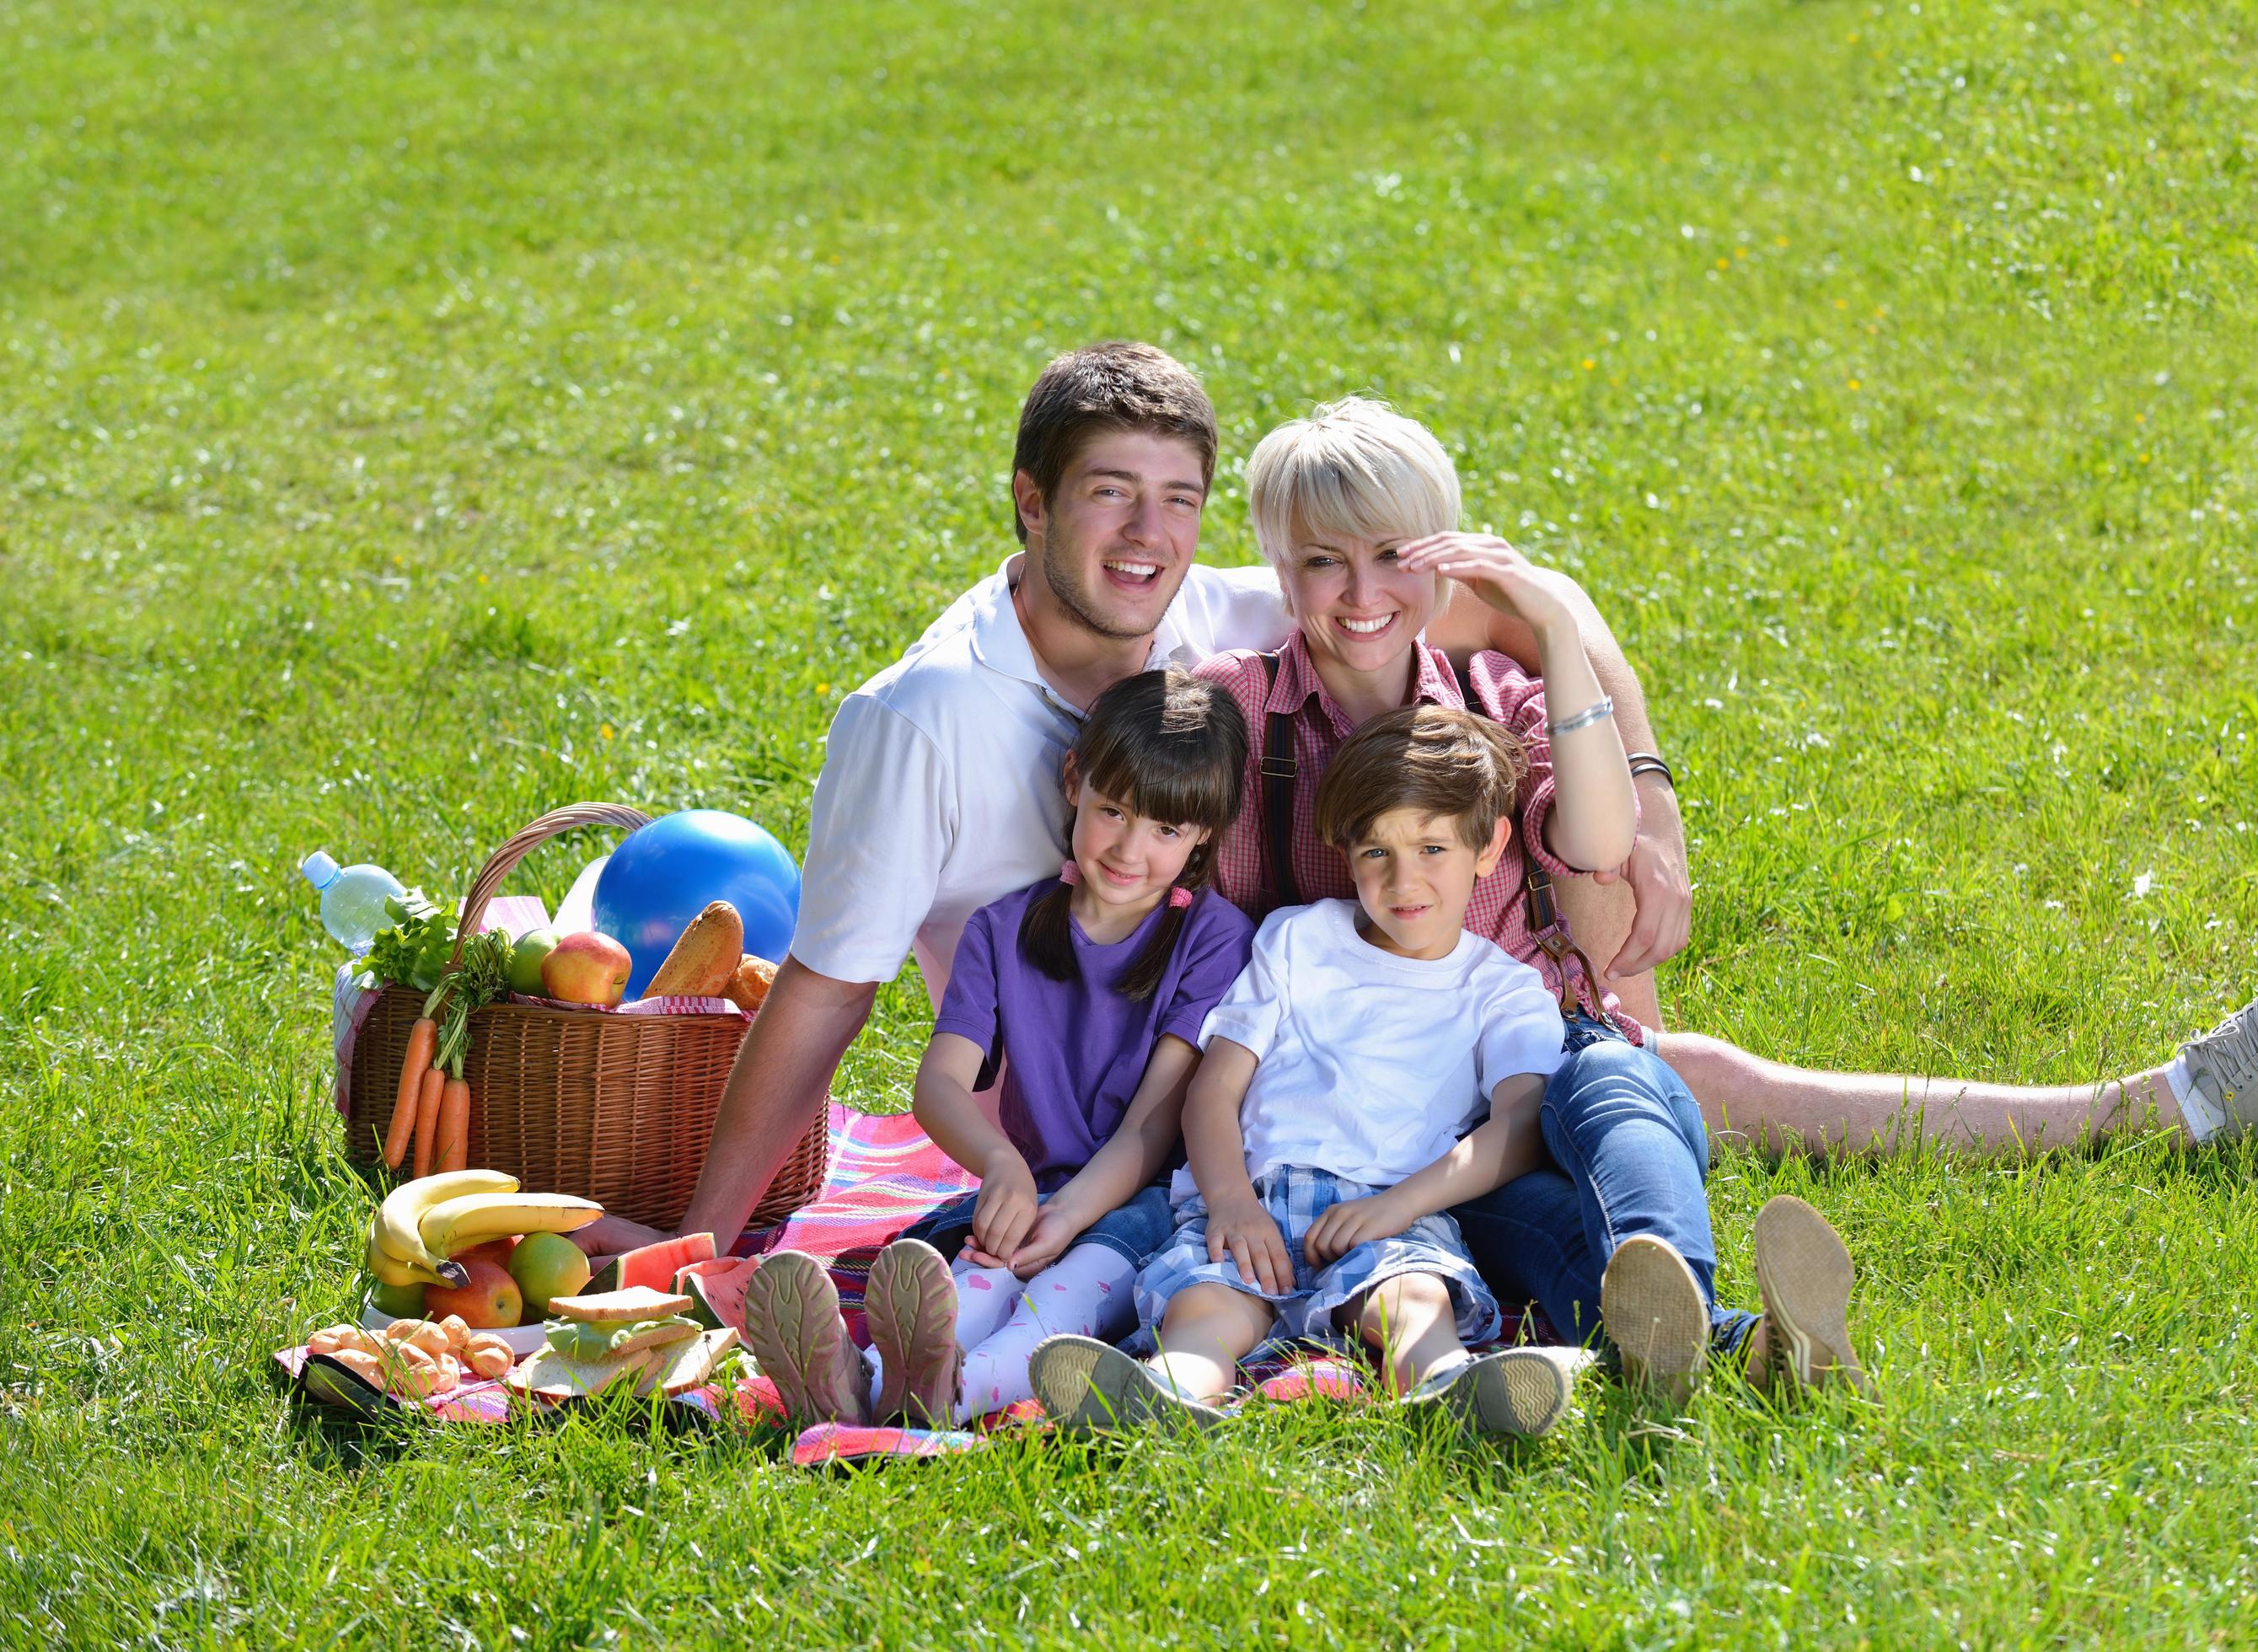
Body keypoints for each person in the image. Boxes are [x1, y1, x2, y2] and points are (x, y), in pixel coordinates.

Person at [1177, 395, 2258, 1370]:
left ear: (1449, 556)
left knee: (1633, 1090)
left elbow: (1592, 842)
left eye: (1395, 556)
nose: (1359, 592)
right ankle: (1738, 1338)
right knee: (1584, 1201)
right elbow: (1140, 885)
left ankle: (2154, 1105)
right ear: (1274, 570)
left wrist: (1556, 625)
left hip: (1511, 1073)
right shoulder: (1235, 709)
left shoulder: (1498, 693)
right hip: (1349, 1108)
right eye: (1320, 563)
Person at [580, 341, 1682, 1257]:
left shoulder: (1248, 609)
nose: (1148, 538)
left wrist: (1647, 809)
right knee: (1572, 1151)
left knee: (1607, 1082)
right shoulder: (921, 718)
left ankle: (1716, 1202)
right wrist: (701, 1235)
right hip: (1106, 1124)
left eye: (1178, 503)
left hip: (1313, 1064)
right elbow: (827, 989)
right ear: (1031, 504)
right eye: (1110, 496)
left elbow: (1537, 611)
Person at [1029, 706, 1851, 1436]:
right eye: (1376, 851)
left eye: (1431, 847)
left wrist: (1401, 1203)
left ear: (1488, 845)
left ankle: (1453, 1390)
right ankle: (1168, 1395)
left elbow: (1519, 1123)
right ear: (1342, 850)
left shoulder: (1499, 989)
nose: (1402, 879)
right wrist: (1231, 1200)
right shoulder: (1296, 939)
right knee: (1206, 1305)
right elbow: (1215, 1086)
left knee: (1415, 1302)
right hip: (1264, 1195)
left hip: (1397, 1202)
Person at [737, 669, 1257, 1428]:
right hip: (1031, 1187)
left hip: (1144, 1204)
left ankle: (946, 1394)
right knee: (973, 1281)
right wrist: (1002, 1165)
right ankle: (863, 1376)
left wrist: (1070, 1212)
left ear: (1205, 832)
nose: (1129, 848)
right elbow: (939, 1086)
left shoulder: (1212, 940)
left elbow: (1152, 1126)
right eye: (1113, 810)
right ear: (1074, 780)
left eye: (1166, 830)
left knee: (1056, 1297)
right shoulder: (1003, 927)